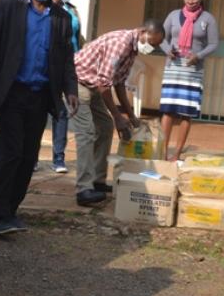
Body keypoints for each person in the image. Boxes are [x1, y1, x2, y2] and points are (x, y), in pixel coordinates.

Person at [0, 0, 79, 235]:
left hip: (40, 95)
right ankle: (0, 214)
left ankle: (11, 210)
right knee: (10, 152)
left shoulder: (61, 18)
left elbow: (66, 60)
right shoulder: (9, 7)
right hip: (11, 93)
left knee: (28, 156)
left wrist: (70, 89)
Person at [70, 20, 165, 206]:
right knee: (86, 133)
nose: (152, 48)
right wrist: (117, 117)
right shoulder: (120, 44)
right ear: (143, 32)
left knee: (105, 127)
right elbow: (104, 84)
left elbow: (119, 83)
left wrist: (131, 116)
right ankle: (83, 189)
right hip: (77, 83)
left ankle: (97, 181)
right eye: (152, 43)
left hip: (95, 86)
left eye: (156, 46)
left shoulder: (132, 49)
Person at [159, 0, 219, 161]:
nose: (191, 1)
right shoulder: (172, 15)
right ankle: (162, 152)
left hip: (193, 71)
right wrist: (167, 50)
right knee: (168, 112)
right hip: (173, 69)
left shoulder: (208, 19)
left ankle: (177, 153)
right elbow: (161, 37)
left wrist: (198, 56)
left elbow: (214, 44)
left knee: (187, 113)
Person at [49, 0, 84, 174]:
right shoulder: (45, 10)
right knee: (51, 112)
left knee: (62, 113)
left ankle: (59, 158)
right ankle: (35, 158)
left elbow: (77, 38)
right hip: (50, 66)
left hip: (70, 63)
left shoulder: (71, 10)